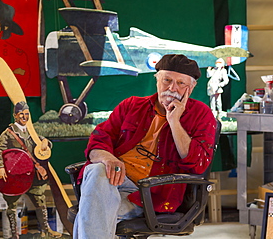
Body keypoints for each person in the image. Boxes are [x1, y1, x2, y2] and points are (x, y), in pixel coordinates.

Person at [72, 54, 217, 238]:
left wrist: (174, 122)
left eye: (181, 84)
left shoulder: (201, 115)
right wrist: (107, 157)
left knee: (90, 211)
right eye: (167, 80)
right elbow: (100, 138)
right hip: (112, 180)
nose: (172, 88)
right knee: (96, 170)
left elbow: (198, 165)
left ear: (191, 88)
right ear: (157, 80)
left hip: (149, 195)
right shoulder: (131, 105)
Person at [0, 101, 61, 239]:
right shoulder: (8, 134)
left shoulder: (30, 131)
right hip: (14, 177)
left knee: (40, 201)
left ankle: (45, 231)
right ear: (15, 116)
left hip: (31, 174)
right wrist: (0, 167)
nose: (24, 117)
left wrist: (46, 142)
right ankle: (14, 234)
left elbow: (40, 142)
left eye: (26, 114)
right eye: (21, 114)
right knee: (12, 205)